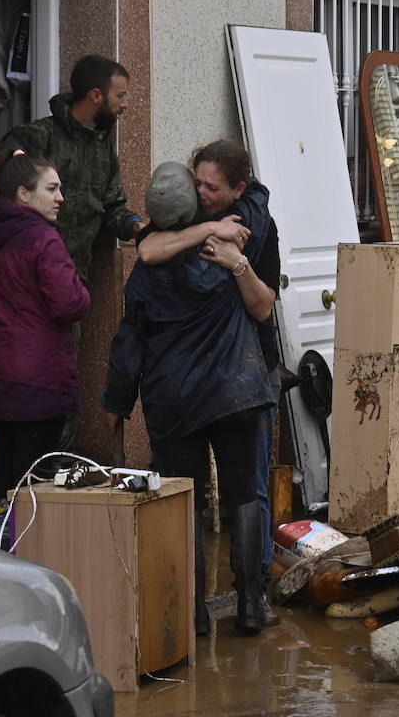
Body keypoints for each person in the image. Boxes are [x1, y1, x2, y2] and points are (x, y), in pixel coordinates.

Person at [103, 143, 277, 636]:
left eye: (212, 186)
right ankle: (248, 605)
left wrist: (117, 402)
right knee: (246, 496)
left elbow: (128, 341)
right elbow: (262, 306)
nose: (205, 193)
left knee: (185, 502)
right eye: (197, 186)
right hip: (236, 393)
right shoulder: (227, 249)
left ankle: (193, 614)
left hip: (173, 400)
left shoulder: (148, 268)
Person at [0, 149, 90, 507]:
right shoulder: (43, 237)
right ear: (24, 194)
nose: (60, 198)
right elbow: (70, 302)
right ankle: (24, 554)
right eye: (51, 189)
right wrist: (84, 292)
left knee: (3, 470)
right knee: (34, 482)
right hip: (38, 377)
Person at [0, 54, 144, 281]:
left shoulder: (103, 149)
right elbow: (3, 163)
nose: (125, 104)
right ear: (96, 96)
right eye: (120, 96)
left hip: (72, 280)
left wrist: (135, 226)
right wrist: (19, 157)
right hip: (27, 277)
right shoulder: (40, 136)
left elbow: (112, 207)